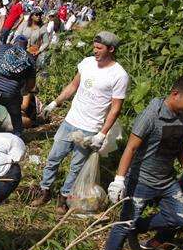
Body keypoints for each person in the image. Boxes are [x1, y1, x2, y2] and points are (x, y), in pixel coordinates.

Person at [103, 75, 183, 250]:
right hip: (141, 180)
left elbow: (181, 148)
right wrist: (119, 180)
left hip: (166, 179)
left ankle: (137, 227)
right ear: (175, 94)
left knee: (178, 220)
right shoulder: (151, 115)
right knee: (124, 223)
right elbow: (131, 148)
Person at [32, 31, 129, 215]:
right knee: (53, 158)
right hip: (70, 121)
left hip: (90, 128)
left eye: (99, 48)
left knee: (76, 167)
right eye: (94, 47)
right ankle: (45, 191)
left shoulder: (119, 75)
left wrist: (102, 134)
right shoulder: (86, 63)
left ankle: (63, 198)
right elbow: (73, 86)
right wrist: (55, 103)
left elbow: (116, 108)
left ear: (111, 49)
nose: (95, 51)